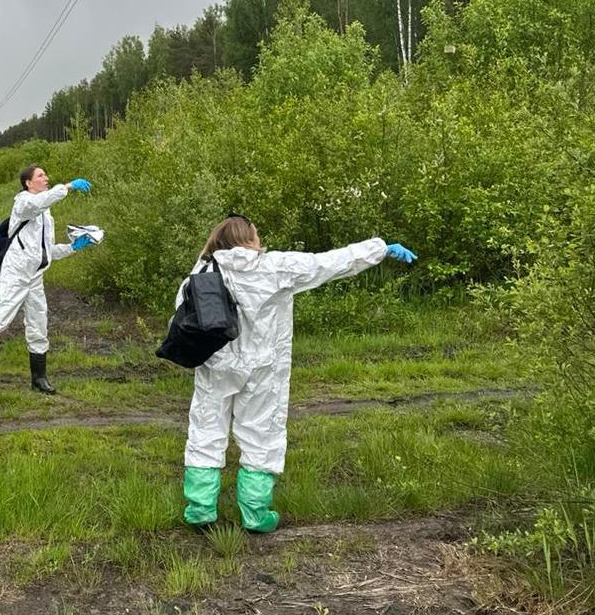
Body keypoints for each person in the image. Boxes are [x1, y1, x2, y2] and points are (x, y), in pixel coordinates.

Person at [179, 215, 417, 533]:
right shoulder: (276, 267)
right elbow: (330, 263)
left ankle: (200, 511)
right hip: (262, 369)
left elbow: (182, 311)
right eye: (257, 233)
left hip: (215, 364)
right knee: (260, 434)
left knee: (206, 429)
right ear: (250, 239)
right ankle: (254, 514)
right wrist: (379, 248)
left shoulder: (205, 268)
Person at [0, 164, 98, 394]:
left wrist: (73, 248)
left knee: (39, 325)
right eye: (41, 175)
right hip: (15, 274)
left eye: (46, 175)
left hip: (35, 278)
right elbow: (40, 202)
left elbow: (45, 251)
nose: (46, 178)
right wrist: (67, 186)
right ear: (28, 183)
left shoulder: (47, 214)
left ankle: (39, 379)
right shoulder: (23, 203)